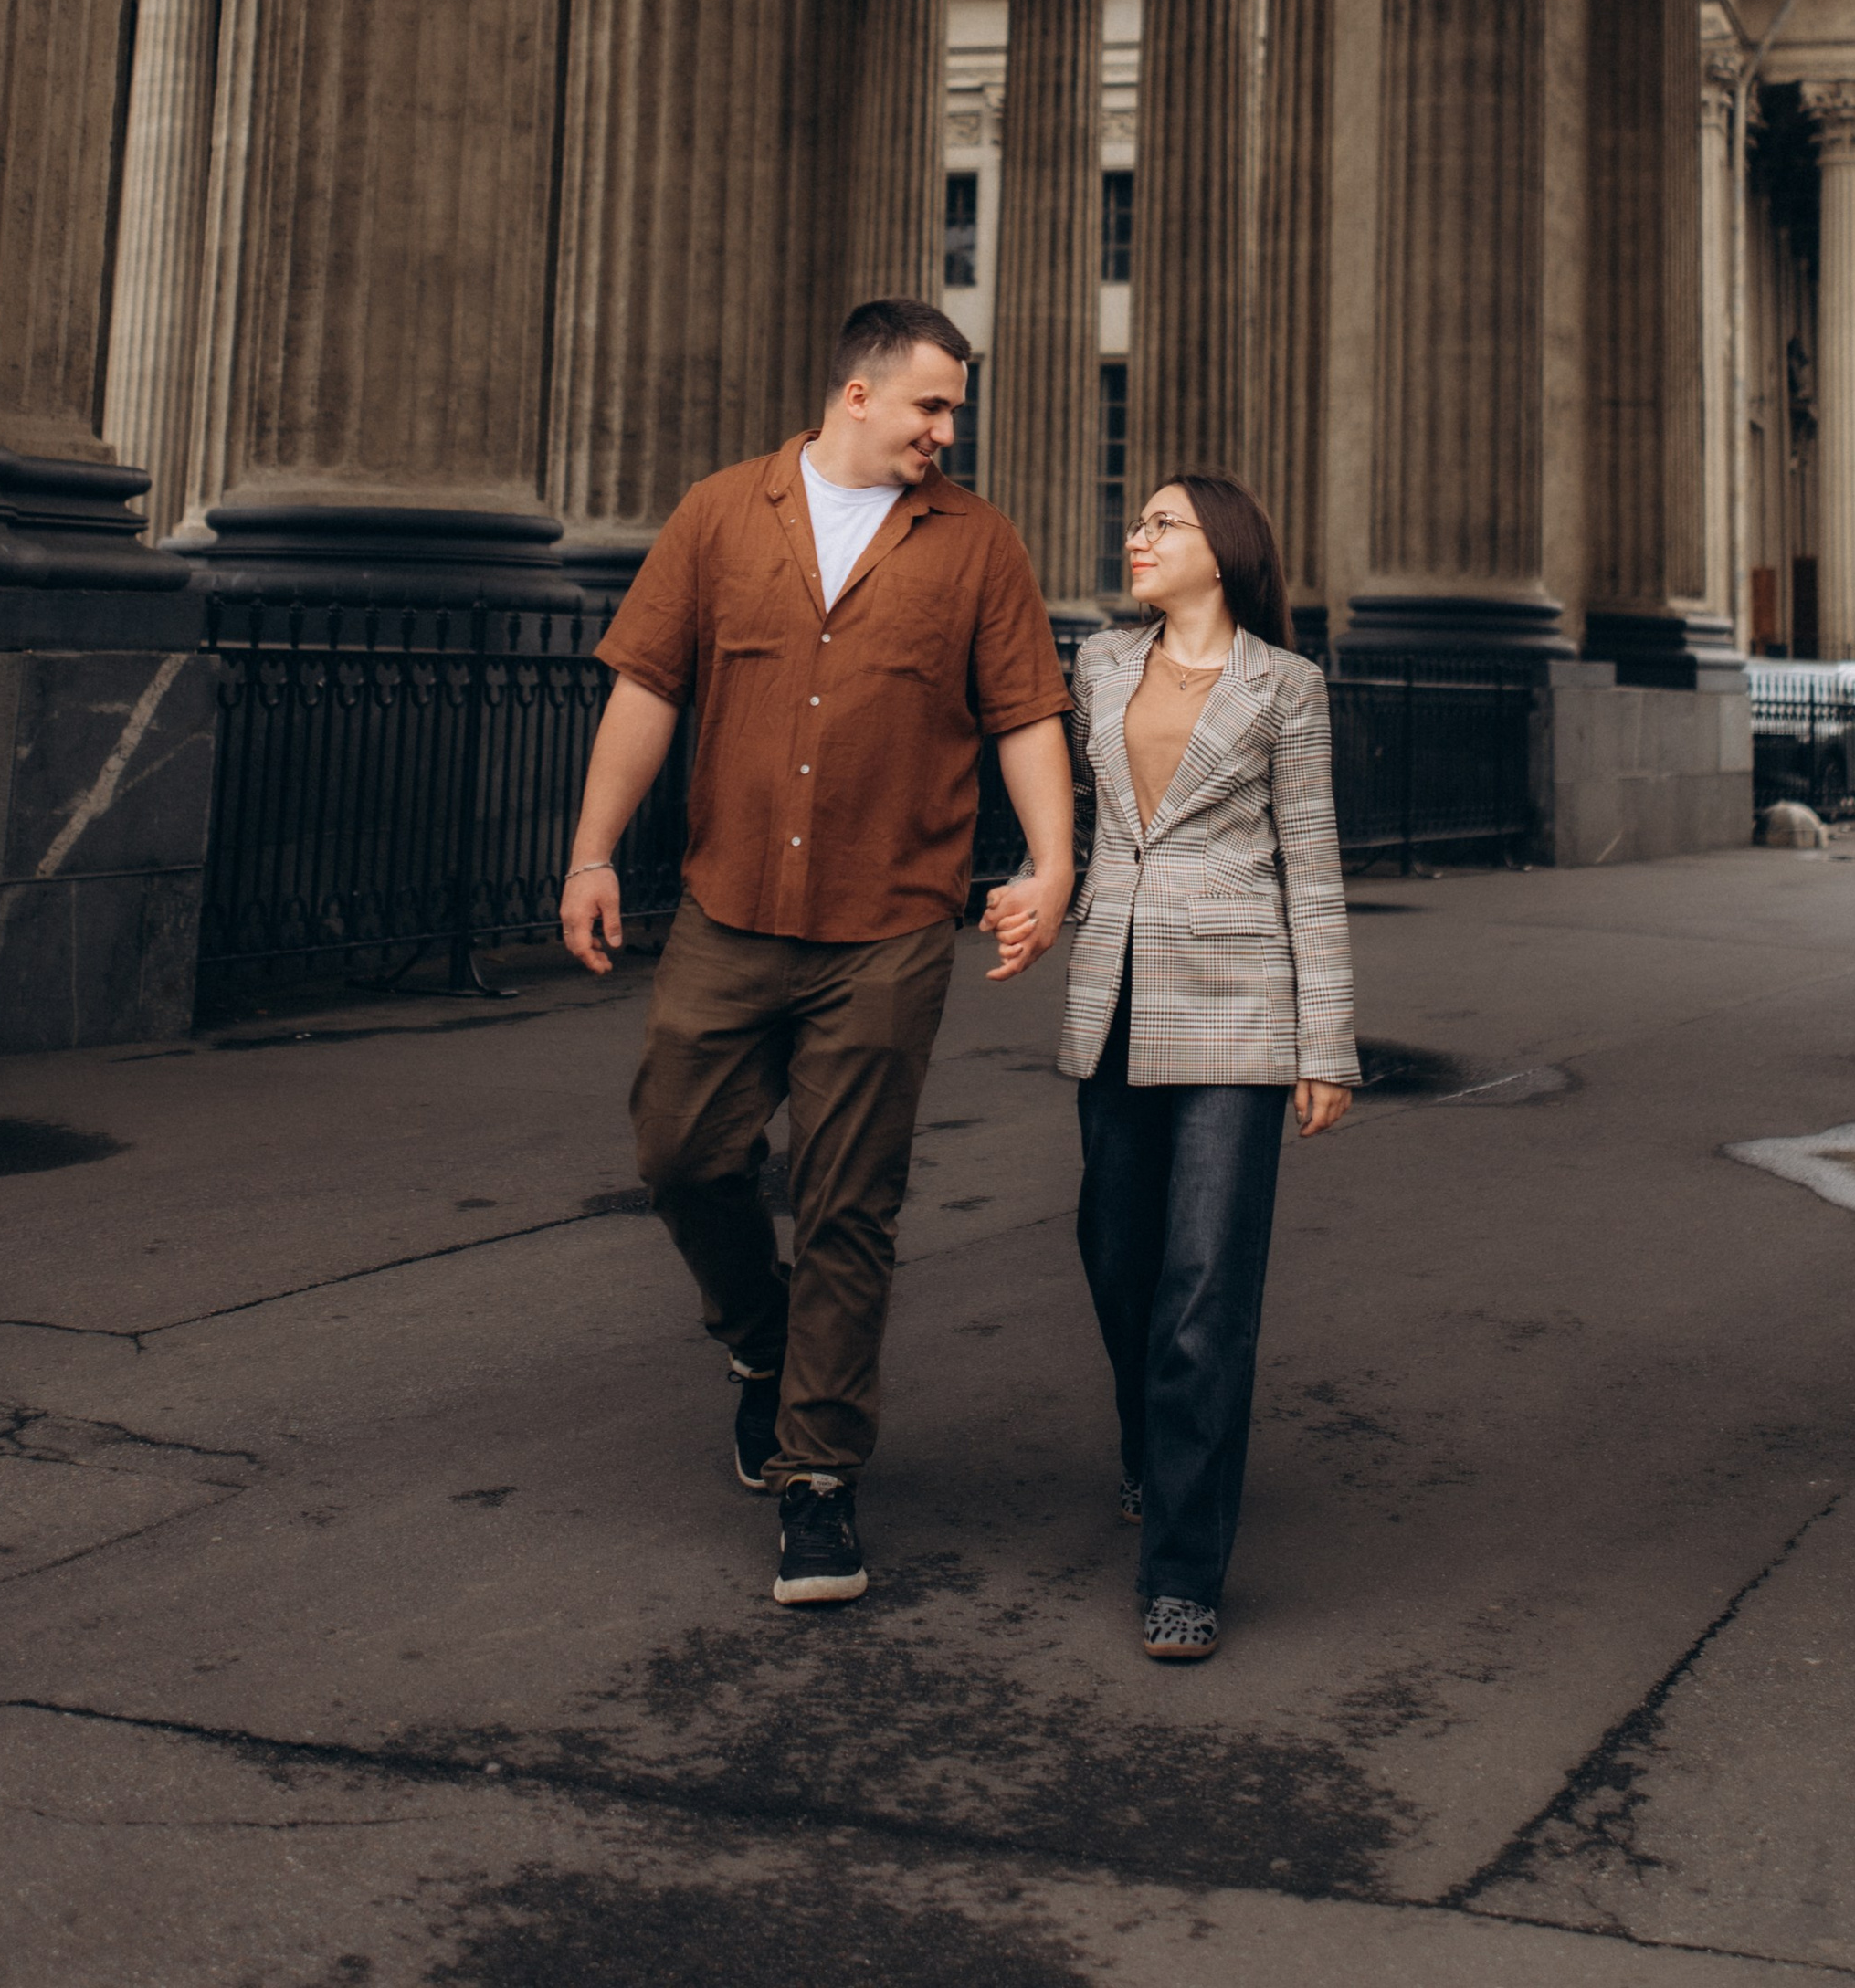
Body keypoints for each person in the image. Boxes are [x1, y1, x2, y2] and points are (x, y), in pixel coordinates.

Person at [560, 298, 1075, 1609]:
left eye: (952, 410)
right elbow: (647, 689)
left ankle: (819, 1485)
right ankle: (761, 1342)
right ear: (857, 394)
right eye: (930, 407)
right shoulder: (723, 514)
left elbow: (1024, 714)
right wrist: (592, 852)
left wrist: (1049, 863)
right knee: (680, 1152)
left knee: (851, 1204)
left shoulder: (975, 546)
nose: (946, 432)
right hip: (728, 910)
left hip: (892, 925)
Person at [992, 469, 1355, 1663]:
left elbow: (1311, 863)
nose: (1136, 537)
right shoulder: (1098, 664)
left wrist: (1327, 1044)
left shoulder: (1283, 686)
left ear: (1223, 551)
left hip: (1240, 1001)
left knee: (1207, 1285)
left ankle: (1184, 1568)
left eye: (1163, 524)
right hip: (1114, 990)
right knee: (1116, 1249)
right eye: (1138, 522)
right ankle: (1151, 1436)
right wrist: (1036, 885)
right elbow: (1047, 787)